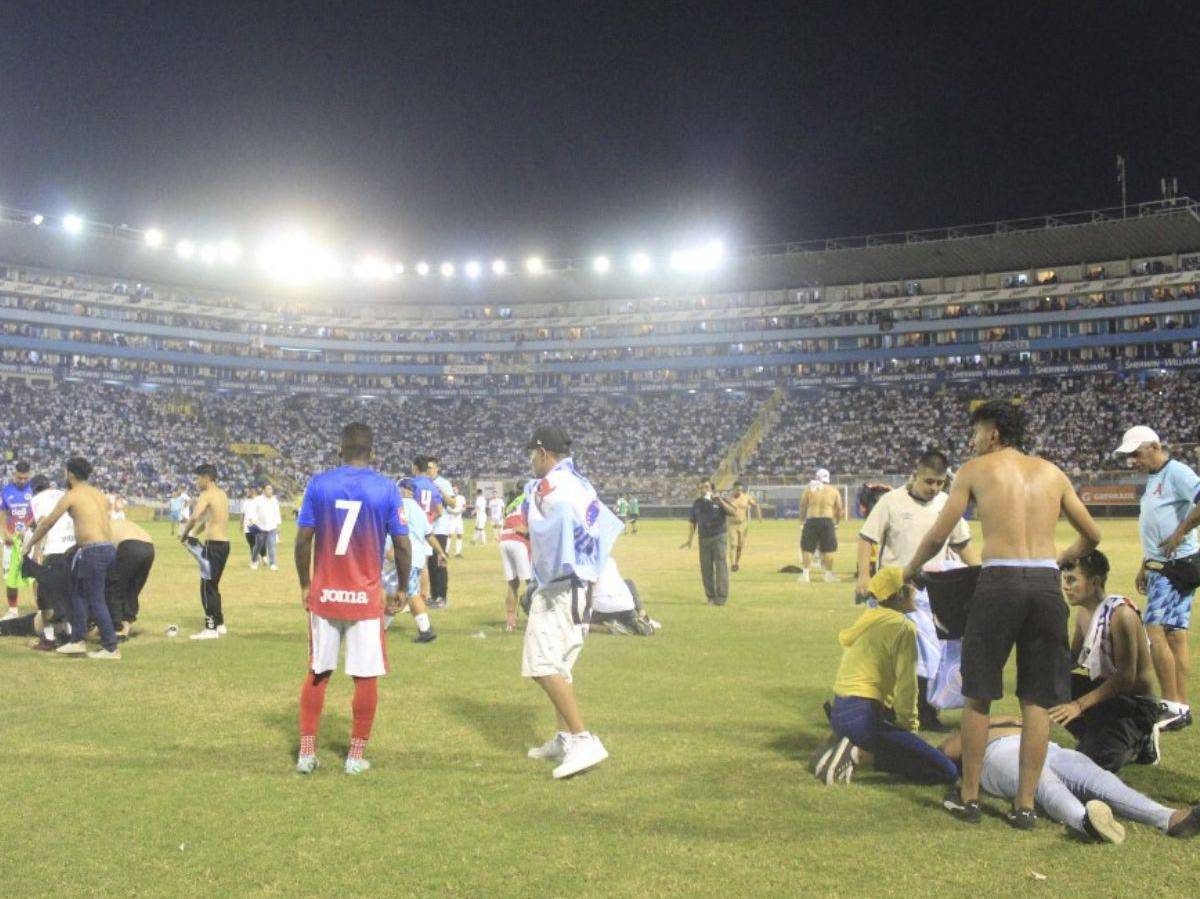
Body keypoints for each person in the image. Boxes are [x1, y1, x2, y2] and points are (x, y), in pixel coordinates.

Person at [902, 400, 1101, 828]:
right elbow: (1093, 534)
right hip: (1046, 587)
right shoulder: (1052, 472)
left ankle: (970, 799)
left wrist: (908, 570)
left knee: (979, 695)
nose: (972, 442)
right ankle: (1025, 806)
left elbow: (940, 534)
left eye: (976, 434)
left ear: (992, 434)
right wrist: (1063, 559)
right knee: (1037, 700)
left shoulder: (976, 470)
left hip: (998, 584)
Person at [294, 422, 413, 775]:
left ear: (339, 450)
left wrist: (305, 584)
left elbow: (303, 540)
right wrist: (403, 588)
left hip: (326, 595)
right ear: (372, 452)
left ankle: (306, 753)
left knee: (318, 672)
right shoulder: (387, 489)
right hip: (365, 599)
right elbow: (403, 545)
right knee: (365, 677)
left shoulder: (319, 484)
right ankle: (355, 756)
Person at [521, 426, 622, 779]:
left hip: (561, 587)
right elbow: (604, 527)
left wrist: (543, 576)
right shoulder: (582, 483)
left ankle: (582, 739)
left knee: (541, 664)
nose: (531, 462)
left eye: (532, 454)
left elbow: (556, 524)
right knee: (561, 666)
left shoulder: (551, 486)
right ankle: (565, 738)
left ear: (544, 454)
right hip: (583, 585)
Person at [857, 450, 979, 731]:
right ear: (915, 474)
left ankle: (925, 713)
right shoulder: (891, 501)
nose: (934, 488)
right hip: (895, 593)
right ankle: (885, 711)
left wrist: (982, 576)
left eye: (939, 483)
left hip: (935, 591)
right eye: (929, 482)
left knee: (932, 656)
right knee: (893, 656)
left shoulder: (948, 504)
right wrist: (864, 575)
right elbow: (866, 538)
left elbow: (962, 544)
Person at [939, 716, 1200, 843]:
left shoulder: (1019, 718)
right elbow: (946, 753)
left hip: (1049, 748)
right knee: (1041, 783)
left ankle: (1170, 817)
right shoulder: (968, 731)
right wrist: (997, 720)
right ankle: (1085, 822)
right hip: (998, 754)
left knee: (1097, 779)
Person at [810, 567, 959, 786]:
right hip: (864, 717)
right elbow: (907, 687)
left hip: (841, 714)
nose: (916, 592)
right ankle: (856, 754)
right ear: (899, 594)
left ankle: (841, 747)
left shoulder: (869, 618)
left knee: (904, 748)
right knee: (946, 771)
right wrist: (910, 727)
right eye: (911, 588)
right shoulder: (903, 627)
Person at [1115, 425, 1199, 732]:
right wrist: (1145, 563)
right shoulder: (1155, 478)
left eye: (1136, 454)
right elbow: (1155, 526)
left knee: (1155, 632)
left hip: (1175, 565)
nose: (1133, 461)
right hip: (1166, 564)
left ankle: (1171, 705)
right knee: (1175, 634)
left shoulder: (1176, 472)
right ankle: (1182, 706)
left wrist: (1180, 532)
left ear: (1154, 446)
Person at [1049, 550, 1162, 771]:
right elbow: (1071, 660)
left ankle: (1141, 738)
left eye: (1072, 580)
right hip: (1109, 695)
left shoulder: (1122, 615)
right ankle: (1095, 735)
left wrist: (1078, 705)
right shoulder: (1083, 612)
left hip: (1135, 703)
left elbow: (1125, 678)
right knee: (1049, 681)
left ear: (1095, 582)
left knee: (1097, 762)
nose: (1066, 587)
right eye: (1064, 580)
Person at [22, 457, 120, 660]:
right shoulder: (99, 495)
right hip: (105, 548)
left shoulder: (72, 495)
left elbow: (47, 523)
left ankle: (111, 647)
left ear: (71, 474)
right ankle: (77, 641)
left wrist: (30, 544)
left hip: (92, 551)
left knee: (95, 599)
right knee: (78, 594)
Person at [179, 463, 231, 640]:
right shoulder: (222, 494)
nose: (196, 482)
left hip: (212, 546)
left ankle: (210, 628)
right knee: (213, 585)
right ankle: (220, 623)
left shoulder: (206, 494)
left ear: (207, 478)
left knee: (206, 586)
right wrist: (195, 533)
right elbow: (211, 519)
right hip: (224, 545)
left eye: (197, 478)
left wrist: (184, 534)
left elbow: (195, 517)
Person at [25, 473, 75, 650]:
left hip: (54, 551)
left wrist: (36, 550)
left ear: (34, 489)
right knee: (67, 594)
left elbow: (42, 523)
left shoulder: (38, 499)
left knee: (43, 596)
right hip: (73, 550)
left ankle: (49, 638)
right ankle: (68, 634)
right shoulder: (61, 493)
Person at [393, 477, 439, 642]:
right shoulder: (420, 510)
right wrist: (441, 552)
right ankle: (380, 627)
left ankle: (426, 630)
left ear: (403, 490)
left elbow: (394, 531)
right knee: (395, 592)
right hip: (418, 557)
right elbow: (429, 534)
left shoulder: (399, 506)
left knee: (411, 593)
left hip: (405, 556)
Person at [682, 478, 735, 606]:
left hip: (718, 537)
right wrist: (689, 540)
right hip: (703, 538)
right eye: (701, 487)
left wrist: (720, 501)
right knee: (706, 569)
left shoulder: (719, 500)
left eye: (706, 487)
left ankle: (721, 598)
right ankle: (710, 596)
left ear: (712, 488)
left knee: (721, 567)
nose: (703, 489)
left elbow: (733, 512)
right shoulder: (697, 503)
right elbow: (692, 522)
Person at [106, 518, 156, 639]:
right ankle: (126, 625)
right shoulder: (121, 522)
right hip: (149, 547)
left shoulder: (103, 526)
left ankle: (117, 628)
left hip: (129, 545)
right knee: (132, 589)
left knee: (115, 589)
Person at [408, 457, 447, 611]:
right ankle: (424, 596)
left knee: (409, 562)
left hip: (412, 528)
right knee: (422, 564)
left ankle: (413, 596)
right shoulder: (433, 486)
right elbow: (439, 511)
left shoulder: (412, 484)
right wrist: (428, 521)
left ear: (415, 468)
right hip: (427, 529)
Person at [590, 556, 658, 636]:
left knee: (578, 624)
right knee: (628, 582)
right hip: (626, 608)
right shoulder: (611, 560)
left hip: (602, 610)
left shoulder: (586, 561)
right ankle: (641, 616)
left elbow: (590, 587)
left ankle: (609, 628)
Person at [1, 460, 35, 619]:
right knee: (10, 575)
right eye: (19, 478)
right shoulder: (6, 491)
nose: (22, 481)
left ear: (29, 476)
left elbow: (37, 513)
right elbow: (3, 514)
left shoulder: (33, 490)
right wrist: (5, 533)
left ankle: (41, 607)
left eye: (25, 478)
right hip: (10, 538)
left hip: (29, 538)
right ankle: (13, 610)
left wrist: (27, 528)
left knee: (36, 573)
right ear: (14, 475)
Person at [799, 468, 843, 583]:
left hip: (812, 520)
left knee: (807, 548)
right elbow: (839, 509)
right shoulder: (834, 491)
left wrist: (802, 521)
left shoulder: (809, 489)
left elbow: (803, 506)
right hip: (827, 521)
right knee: (829, 549)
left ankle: (805, 575)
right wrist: (837, 522)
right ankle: (828, 575)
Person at [425, 456, 455, 605]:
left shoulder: (444, 483)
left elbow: (453, 504)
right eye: (427, 468)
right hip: (427, 529)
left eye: (431, 468)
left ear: (436, 469)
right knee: (430, 563)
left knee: (440, 561)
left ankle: (442, 596)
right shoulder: (423, 483)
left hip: (440, 528)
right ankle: (434, 594)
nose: (428, 470)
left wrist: (442, 492)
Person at [498, 494, 531, 632]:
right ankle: (537, 619)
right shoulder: (530, 499)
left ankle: (510, 623)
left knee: (512, 584)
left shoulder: (511, 503)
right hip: (519, 540)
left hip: (504, 540)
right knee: (532, 582)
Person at [726, 482, 762, 573]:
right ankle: (733, 564)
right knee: (733, 544)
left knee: (740, 546)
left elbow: (755, 505)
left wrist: (759, 517)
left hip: (743, 524)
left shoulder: (746, 497)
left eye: (741, 489)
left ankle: (736, 563)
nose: (739, 491)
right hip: (731, 524)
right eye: (737, 489)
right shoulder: (728, 499)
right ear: (733, 489)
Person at [258, 484, 282, 570]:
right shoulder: (259, 500)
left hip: (272, 526)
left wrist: (278, 525)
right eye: (268, 489)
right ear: (264, 491)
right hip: (260, 527)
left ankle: (273, 563)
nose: (270, 491)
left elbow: (277, 513)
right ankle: (262, 557)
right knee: (260, 545)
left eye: (271, 489)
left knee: (271, 545)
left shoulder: (274, 500)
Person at [449, 490, 466, 557]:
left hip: (459, 519)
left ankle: (458, 553)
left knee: (460, 535)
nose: (455, 491)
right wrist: (453, 513)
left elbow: (464, 507)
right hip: (451, 519)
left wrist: (459, 512)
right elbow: (446, 508)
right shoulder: (449, 498)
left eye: (456, 490)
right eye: (453, 490)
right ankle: (446, 551)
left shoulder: (461, 498)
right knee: (449, 535)